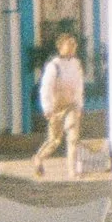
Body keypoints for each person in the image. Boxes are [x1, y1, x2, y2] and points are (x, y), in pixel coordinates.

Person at [34, 31, 85, 178]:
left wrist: (79, 105)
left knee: (73, 137)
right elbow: (46, 88)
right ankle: (39, 158)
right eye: (69, 44)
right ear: (61, 47)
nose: (72, 47)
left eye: (74, 44)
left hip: (71, 106)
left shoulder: (76, 64)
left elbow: (79, 85)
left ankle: (72, 170)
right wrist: (47, 108)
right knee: (54, 140)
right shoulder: (54, 66)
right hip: (56, 107)